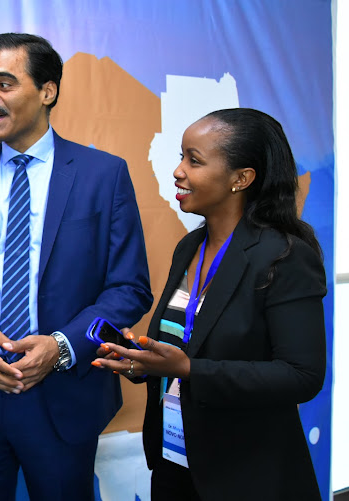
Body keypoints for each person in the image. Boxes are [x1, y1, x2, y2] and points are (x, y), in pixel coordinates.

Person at [0, 33, 152, 500]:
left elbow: (128, 289)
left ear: (48, 91)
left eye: (3, 84)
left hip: (64, 395)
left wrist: (64, 346)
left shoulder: (104, 175)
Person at [92, 108, 326, 500]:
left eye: (193, 160)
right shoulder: (189, 248)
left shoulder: (285, 256)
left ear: (241, 179)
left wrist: (187, 368)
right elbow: (190, 343)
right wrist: (145, 362)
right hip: (174, 464)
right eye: (181, 156)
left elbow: (302, 376)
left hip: (246, 474)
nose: (178, 171)